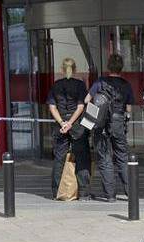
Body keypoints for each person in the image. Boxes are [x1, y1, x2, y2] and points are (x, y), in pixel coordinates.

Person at [85, 54, 134, 202]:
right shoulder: (126, 84)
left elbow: (87, 100)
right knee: (122, 157)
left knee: (104, 158)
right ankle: (129, 192)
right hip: (118, 122)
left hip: (101, 124)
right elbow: (129, 109)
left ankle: (110, 195)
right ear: (121, 68)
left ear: (108, 66)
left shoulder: (100, 82)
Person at [47, 57, 91, 200]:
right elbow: (80, 106)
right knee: (82, 157)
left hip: (60, 126)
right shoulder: (80, 85)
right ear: (75, 69)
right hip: (77, 125)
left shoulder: (56, 85)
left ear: (61, 69)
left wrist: (62, 123)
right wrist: (70, 123)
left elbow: (52, 106)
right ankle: (83, 193)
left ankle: (57, 192)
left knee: (59, 158)